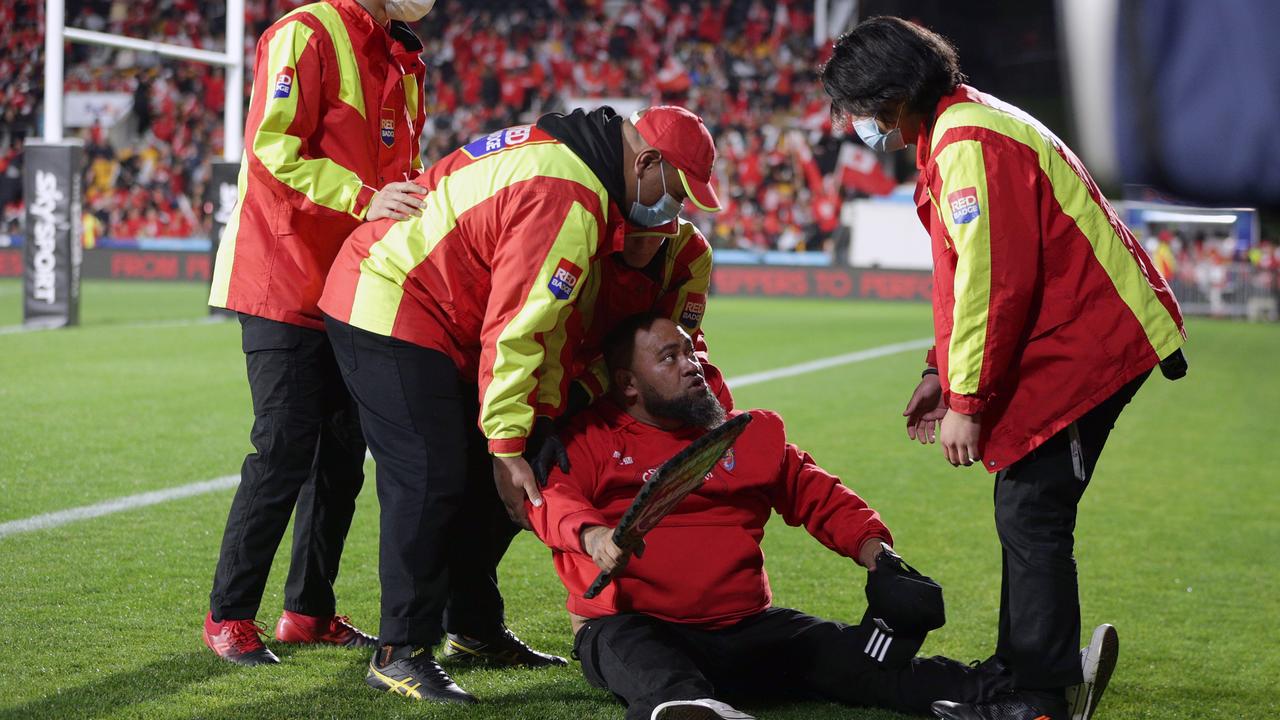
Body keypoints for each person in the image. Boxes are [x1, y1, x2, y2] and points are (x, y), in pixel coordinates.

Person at [819, 17, 1187, 720]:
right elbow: (971, 276)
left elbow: (994, 283)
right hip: (1077, 335)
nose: (854, 122)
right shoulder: (961, 129)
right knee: (1026, 506)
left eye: (858, 107)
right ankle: (1023, 670)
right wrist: (940, 369)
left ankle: (1038, 697)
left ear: (896, 93)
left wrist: (967, 400)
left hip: (1088, 345)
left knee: (1033, 511)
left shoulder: (967, 143)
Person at [317, 105, 724, 701]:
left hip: (444, 313)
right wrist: (506, 442)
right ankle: (399, 650)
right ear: (646, 162)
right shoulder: (572, 196)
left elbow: (560, 337)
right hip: (394, 295)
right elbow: (518, 330)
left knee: (510, 477)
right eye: (677, 190)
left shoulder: (591, 182)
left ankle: (474, 627)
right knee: (432, 474)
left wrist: (535, 429)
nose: (676, 210)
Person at [528, 315, 1123, 720]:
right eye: (670, 357)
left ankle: (1028, 695)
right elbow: (549, 500)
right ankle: (688, 709)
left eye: (691, 349)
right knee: (639, 656)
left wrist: (880, 555)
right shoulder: (588, 439)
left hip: (746, 628)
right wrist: (594, 534)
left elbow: (818, 496)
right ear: (628, 384)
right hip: (635, 624)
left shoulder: (747, 432)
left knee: (861, 661)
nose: (692, 363)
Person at [202, 0, 435, 666]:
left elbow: (401, 168)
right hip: (281, 276)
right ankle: (229, 616)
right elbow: (271, 146)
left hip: (352, 284)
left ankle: (308, 611)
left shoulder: (405, 57)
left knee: (340, 457)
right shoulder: (305, 33)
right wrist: (366, 198)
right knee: (282, 450)